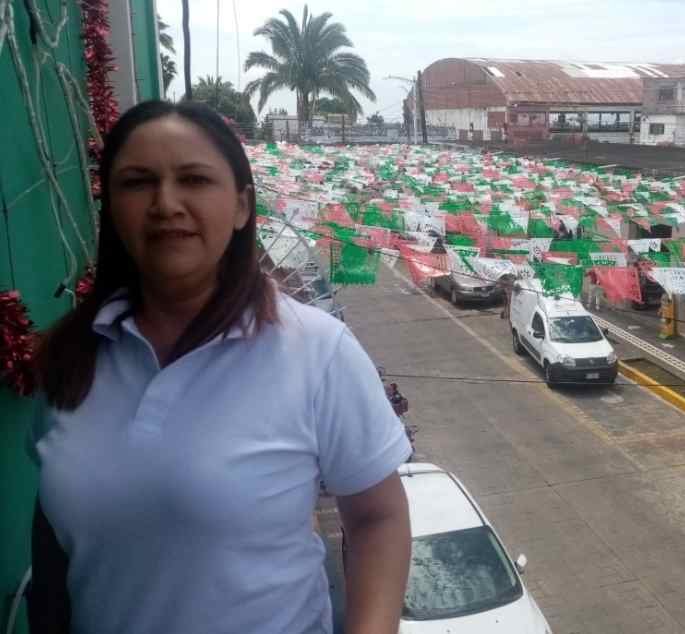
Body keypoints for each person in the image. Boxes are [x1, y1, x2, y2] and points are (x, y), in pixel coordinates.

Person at [28, 100, 412, 634]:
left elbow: (378, 518)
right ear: (111, 207)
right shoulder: (73, 356)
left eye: (194, 179)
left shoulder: (317, 350)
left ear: (240, 206)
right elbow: (53, 538)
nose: (166, 203)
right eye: (137, 182)